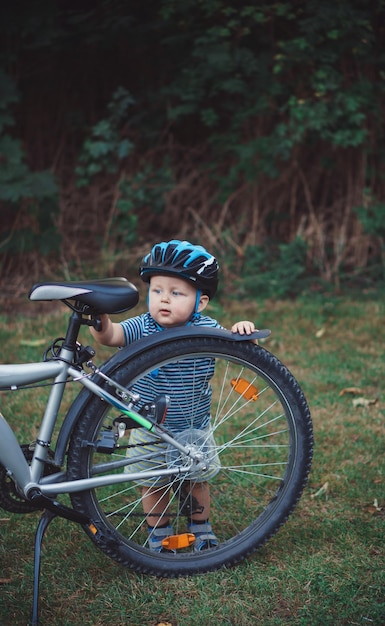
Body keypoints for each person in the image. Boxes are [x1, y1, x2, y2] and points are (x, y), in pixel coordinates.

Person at [90, 239, 257, 552]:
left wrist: (242, 331)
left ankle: (201, 527)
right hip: (147, 427)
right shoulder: (143, 327)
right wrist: (101, 322)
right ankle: (159, 534)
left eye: (176, 293)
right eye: (157, 291)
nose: (163, 299)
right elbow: (112, 337)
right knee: (152, 483)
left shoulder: (205, 329)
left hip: (192, 426)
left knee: (196, 480)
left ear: (201, 301)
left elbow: (243, 351)